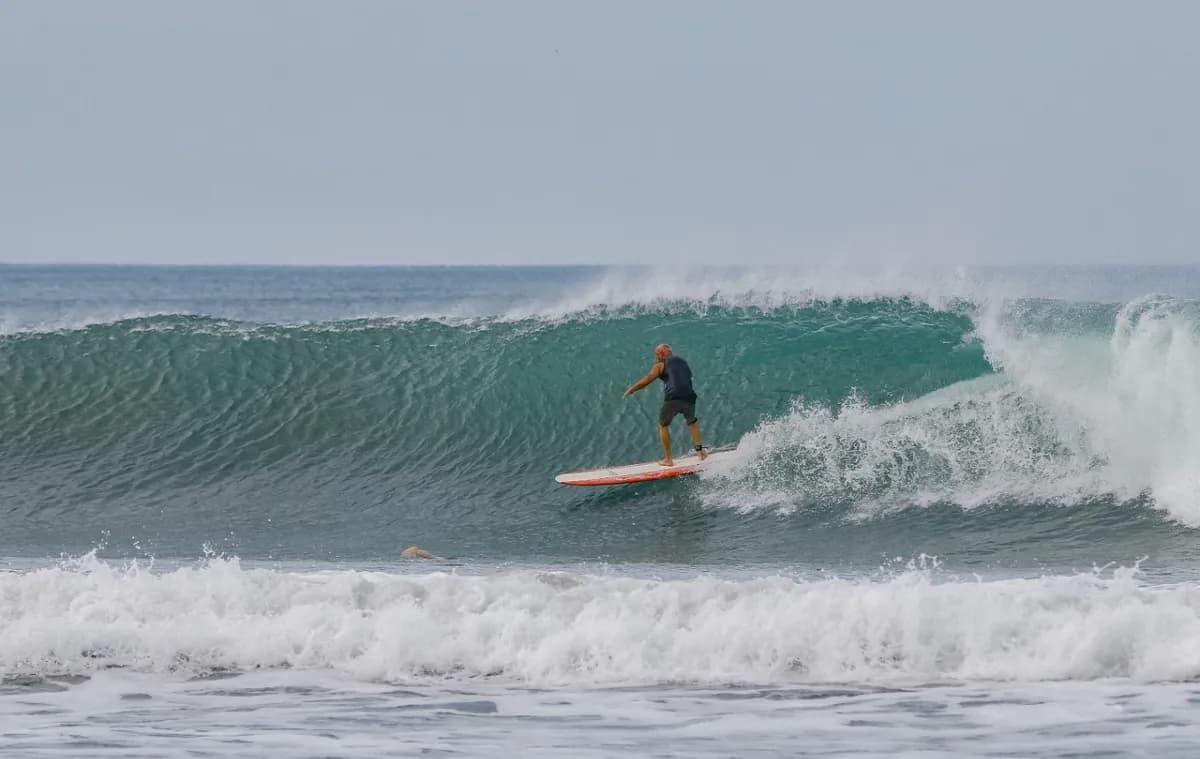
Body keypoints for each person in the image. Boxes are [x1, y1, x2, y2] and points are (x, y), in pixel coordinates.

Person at [623, 343, 706, 466]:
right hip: (689, 396)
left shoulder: (660, 365)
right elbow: (688, 377)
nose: (656, 357)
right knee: (692, 422)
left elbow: (646, 381)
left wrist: (632, 389)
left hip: (673, 397)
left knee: (663, 425)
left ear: (661, 354)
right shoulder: (683, 362)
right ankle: (700, 453)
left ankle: (668, 459)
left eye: (656, 354)